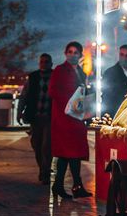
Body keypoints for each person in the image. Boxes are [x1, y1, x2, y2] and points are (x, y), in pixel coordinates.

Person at [48, 41, 91, 199]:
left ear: (80, 55)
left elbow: (83, 93)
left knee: (70, 153)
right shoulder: (60, 70)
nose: (73, 55)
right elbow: (52, 90)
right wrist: (70, 102)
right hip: (64, 117)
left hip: (77, 117)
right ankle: (75, 185)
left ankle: (60, 185)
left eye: (76, 52)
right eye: (70, 52)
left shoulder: (81, 72)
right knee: (69, 152)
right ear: (65, 53)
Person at [18, 53, 53, 185]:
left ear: (51, 63)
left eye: (46, 62)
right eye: (42, 62)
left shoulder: (54, 76)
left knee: (46, 146)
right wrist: (20, 111)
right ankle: (42, 168)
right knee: (37, 144)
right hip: (36, 117)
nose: (44, 64)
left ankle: (45, 172)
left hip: (49, 116)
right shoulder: (33, 77)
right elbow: (24, 96)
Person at [102, 44, 127, 116]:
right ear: (119, 56)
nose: (124, 58)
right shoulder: (110, 73)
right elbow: (106, 98)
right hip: (115, 115)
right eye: (122, 55)